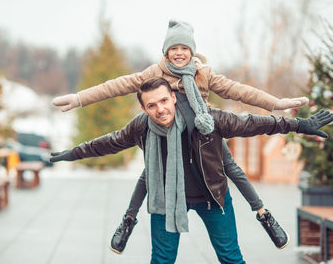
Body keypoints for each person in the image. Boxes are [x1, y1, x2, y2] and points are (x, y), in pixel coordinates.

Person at [52, 19, 310, 253]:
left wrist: (275, 103)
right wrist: (79, 99)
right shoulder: (153, 74)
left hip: (205, 133)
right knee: (151, 170)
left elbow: (238, 91)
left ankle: (263, 212)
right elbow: (117, 85)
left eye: (184, 48)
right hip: (163, 141)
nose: (178, 53)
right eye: (173, 49)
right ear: (165, 52)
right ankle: (129, 219)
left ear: (191, 51)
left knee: (229, 167)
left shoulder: (202, 73)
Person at [50, 78, 333, 263]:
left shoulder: (206, 119)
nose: (160, 109)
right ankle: (129, 219)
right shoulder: (141, 127)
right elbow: (108, 143)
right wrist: (71, 153)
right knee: (161, 260)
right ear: (144, 108)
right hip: (168, 201)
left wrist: (298, 125)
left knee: (231, 258)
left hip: (213, 198)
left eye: (163, 101)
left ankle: (261, 214)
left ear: (173, 97)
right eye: (151, 105)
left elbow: (252, 123)